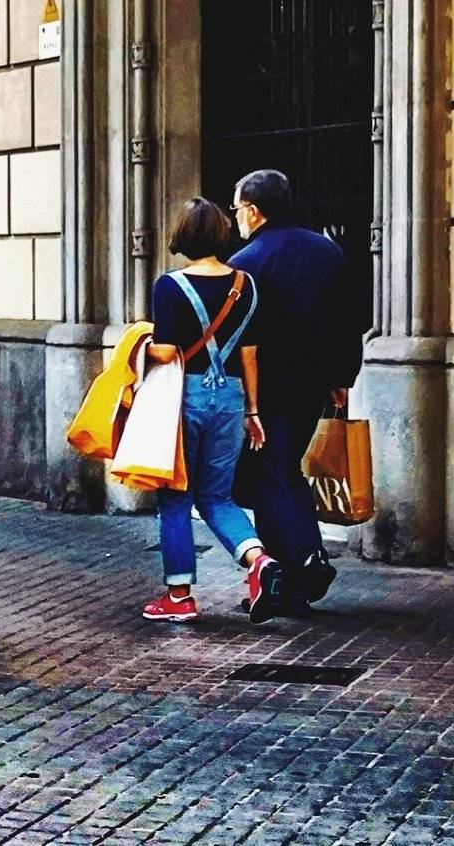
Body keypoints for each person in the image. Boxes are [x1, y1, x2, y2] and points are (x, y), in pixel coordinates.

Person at [140, 197, 283, 625]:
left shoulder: (169, 286)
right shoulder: (246, 285)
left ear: (183, 235)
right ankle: (259, 561)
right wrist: (253, 411)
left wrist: (140, 344)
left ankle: (179, 596)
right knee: (218, 496)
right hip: (232, 398)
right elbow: (250, 353)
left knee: (176, 498)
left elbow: (166, 351)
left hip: (184, 398)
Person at [228, 169, 365, 610]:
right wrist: (343, 377)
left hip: (265, 390)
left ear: (253, 210)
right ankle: (287, 583)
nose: (235, 217)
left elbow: (240, 338)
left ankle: (306, 561)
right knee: (279, 472)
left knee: (272, 474)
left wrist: (244, 398)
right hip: (313, 385)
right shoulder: (326, 250)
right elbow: (348, 320)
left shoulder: (246, 262)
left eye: (237, 208)